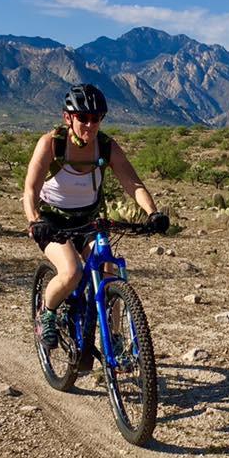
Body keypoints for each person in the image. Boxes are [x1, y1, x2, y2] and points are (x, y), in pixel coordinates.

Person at [22, 83, 169, 352]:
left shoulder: (106, 147)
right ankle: (48, 313)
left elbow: (133, 184)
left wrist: (153, 213)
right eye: (83, 118)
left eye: (96, 119)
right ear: (68, 118)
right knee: (71, 272)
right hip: (53, 222)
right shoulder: (51, 144)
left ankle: (112, 337)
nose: (90, 125)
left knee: (108, 272)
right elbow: (30, 188)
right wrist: (34, 220)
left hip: (89, 220)